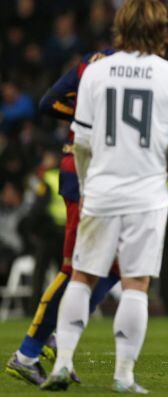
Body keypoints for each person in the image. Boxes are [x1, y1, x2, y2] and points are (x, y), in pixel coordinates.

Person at [40, 0, 168, 392]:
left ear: (120, 27)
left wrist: (89, 183)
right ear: (163, 30)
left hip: (102, 189)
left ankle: (61, 364)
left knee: (81, 277)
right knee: (135, 284)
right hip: (146, 193)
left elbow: (83, 141)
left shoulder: (95, 71)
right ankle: (124, 376)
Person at [5, 49, 122, 386]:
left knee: (118, 267)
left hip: (102, 173)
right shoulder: (114, 66)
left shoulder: (92, 63)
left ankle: (60, 341)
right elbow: (46, 104)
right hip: (85, 171)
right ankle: (28, 353)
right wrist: (88, 115)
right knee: (76, 269)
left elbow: (50, 102)